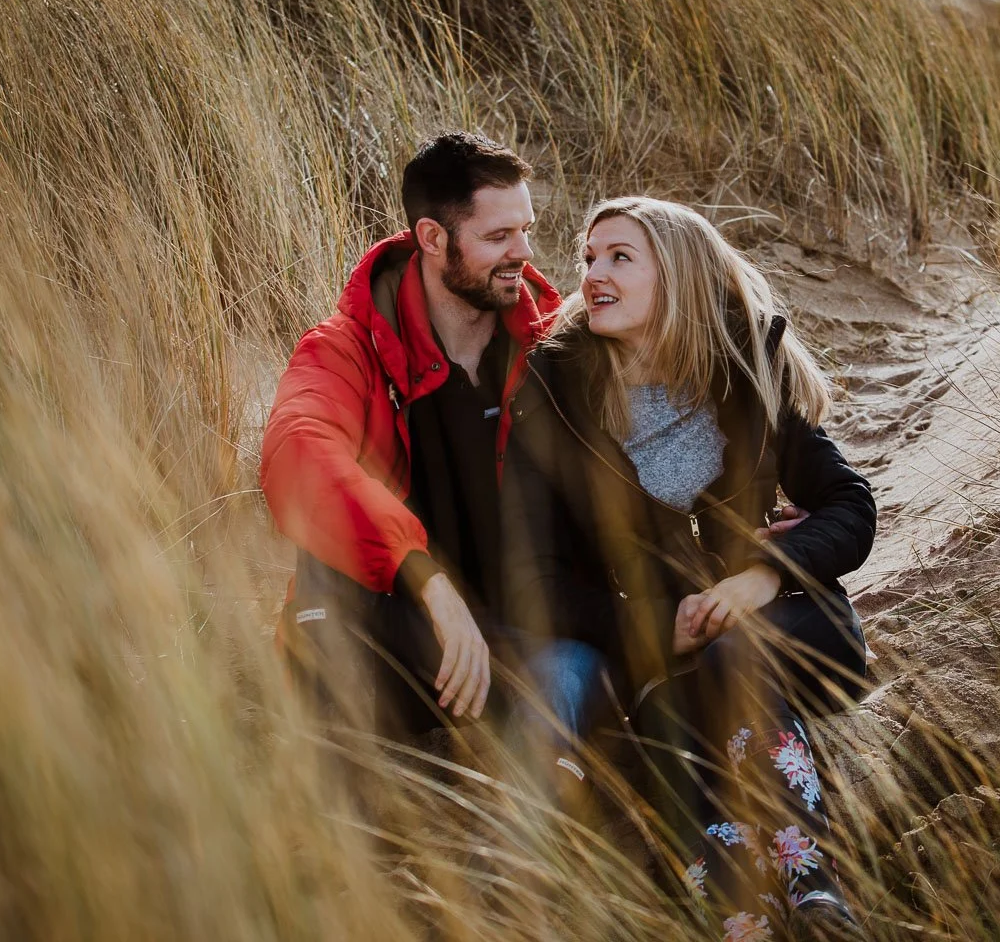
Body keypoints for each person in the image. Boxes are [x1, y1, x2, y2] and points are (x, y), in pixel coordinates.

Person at [503, 197, 876, 940]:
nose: (593, 274)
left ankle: (814, 892)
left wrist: (764, 575)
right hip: (661, 653)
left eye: (620, 257)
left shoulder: (744, 372)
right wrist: (648, 628)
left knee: (738, 656)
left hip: (784, 627)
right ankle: (743, 923)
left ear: (676, 276)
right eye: (589, 257)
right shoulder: (555, 399)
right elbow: (532, 578)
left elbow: (850, 506)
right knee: (671, 731)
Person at [259, 131, 569, 740]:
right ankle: (337, 790)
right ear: (432, 238)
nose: (523, 253)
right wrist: (425, 576)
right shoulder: (348, 346)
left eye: (526, 229)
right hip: (398, 626)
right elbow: (298, 452)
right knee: (324, 560)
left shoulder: (552, 344)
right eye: (498, 236)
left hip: (514, 633)